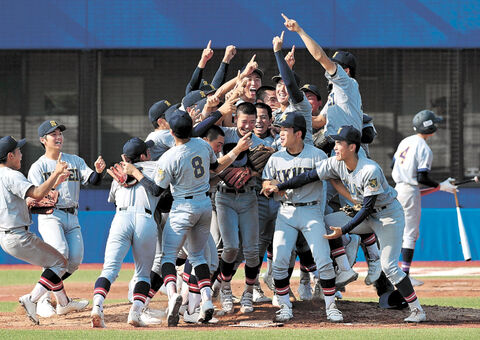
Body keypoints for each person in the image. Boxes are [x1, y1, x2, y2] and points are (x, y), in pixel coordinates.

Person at [263, 125, 427, 323]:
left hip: (387, 217)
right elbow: (308, 176)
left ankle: (417, 310)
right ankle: (343, 268)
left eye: (340, 143)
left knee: (390, 266)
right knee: (323, 223)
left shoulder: (370, 169)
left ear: (353, 147)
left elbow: (367, 208)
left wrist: (344, 230)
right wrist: (279, 186)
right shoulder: (336, 162)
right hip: (364, 213)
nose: (335, 147)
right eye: (335, 142)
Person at [145, 109, 251, 326]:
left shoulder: (169, 157)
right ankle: (206, 300)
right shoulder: (203, 145)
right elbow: (216, 167)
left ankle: (174, 293)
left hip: (183, 206)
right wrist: (236, 151)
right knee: (198, 257)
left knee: (168, 256)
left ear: (172, 132)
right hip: (204, 205)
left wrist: (137, 175)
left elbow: (157, 190)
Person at [261, 113, 343, 322]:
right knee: (279, 261)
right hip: (286, 212)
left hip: (311, 211)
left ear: (298, 133)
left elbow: (333, 180)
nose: (280, 134)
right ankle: (285, 306)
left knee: (323, 259)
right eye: (280, 129)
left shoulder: (316, 155)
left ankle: (331, 306)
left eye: (285, 130)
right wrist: (268, 187)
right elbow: (266, 181)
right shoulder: (276, 157)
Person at [0, 136, 86, 325]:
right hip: (18, 235)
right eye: (18, 151)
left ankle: (63, 302)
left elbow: (29, 198)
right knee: (59, 262)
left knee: (55, 261)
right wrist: (55, 174)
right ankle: (32, 299)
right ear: (10, 155)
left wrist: (31, 200)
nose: (21, 154)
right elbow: (38, 193)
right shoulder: (12, 175)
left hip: (8, 235)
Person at [28, 120, 105, 317]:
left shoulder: (75, 160)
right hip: (51, 215)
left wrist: (98, 171)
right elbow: (35, 197)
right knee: (59, 253)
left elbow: (92, 181)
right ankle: (40, 299)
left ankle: (60, 302)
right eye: (53, 134)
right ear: (43, 140)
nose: (58, 137)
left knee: (74, 261)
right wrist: (54, 184)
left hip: (73, 215)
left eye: (59, 133)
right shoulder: (38, 167)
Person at [91, 138, 160, 328]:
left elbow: (114, 199)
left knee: (109, 269)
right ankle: (135, 313)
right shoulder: (155, 167)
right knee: (144, 274)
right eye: (148, 151)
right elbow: (159, 191)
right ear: (142, 155)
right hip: (145, 219)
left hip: (121, 217)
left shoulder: (117, 172)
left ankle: (97, 306)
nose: (151, 153)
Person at [392, 110, 457, 286]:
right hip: (410, 189)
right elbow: (422, 178)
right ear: (430, 127)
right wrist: (441, 186)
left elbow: (394, 164)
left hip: (398, 188)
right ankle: (404, 276)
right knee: (410, 234)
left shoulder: (406, 141)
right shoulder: (424, 148)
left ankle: (392, 273)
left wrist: (440, 187)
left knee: (397, 232)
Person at [282, 13, 362, 154]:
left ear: (347, 70)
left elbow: (320, 57)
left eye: (335, 64)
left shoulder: (347, 83)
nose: (330, 65)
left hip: (349, 148)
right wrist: (288, 116)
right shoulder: (338, 92)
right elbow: (319, 120)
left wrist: (299, 30)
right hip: (337, 147)